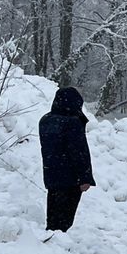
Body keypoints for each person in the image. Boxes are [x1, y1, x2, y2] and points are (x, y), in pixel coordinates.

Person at [39, 87, 95, 231]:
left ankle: (50, 245)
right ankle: (59, 247)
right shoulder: (72, 123)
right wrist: (85, 178)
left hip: (52, 176)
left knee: (52, 219)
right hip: (71, 179)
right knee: (65, 221)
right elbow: (79, 152)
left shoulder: (45, 121)